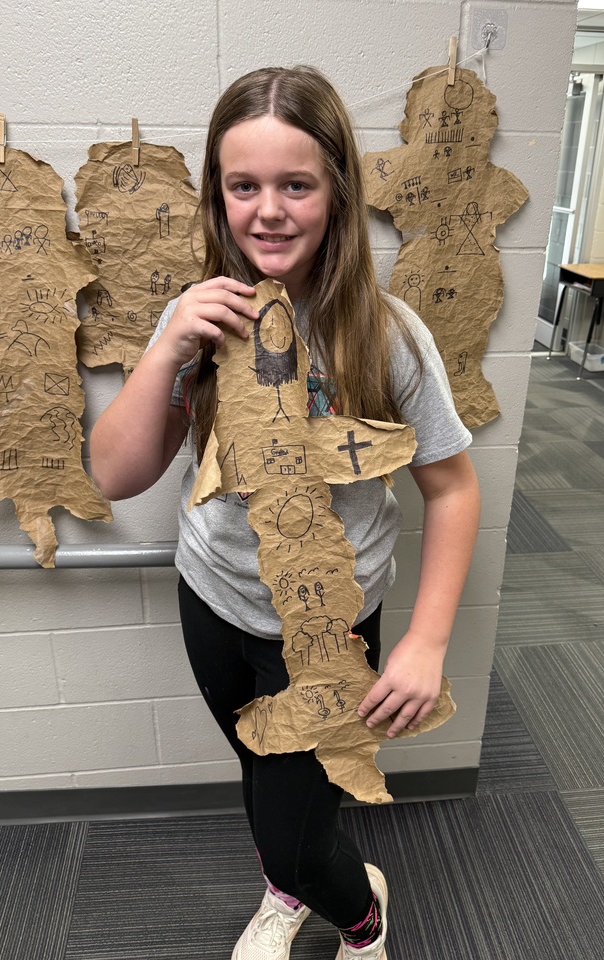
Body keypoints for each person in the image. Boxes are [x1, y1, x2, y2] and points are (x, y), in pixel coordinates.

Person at [90, 65, 480, 960]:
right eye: (244, 185)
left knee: (303, 830)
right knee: (263, 777)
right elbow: (114, 477)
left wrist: (424, 642)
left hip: (323, 629)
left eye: (296, 184)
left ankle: (360, 918)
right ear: (217, 195)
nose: (268, 209)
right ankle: (286, 884)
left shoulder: (386, 334)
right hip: (213, 600)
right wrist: (168, 349)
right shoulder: (200, 319)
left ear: (336, 192)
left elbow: (452, 487)